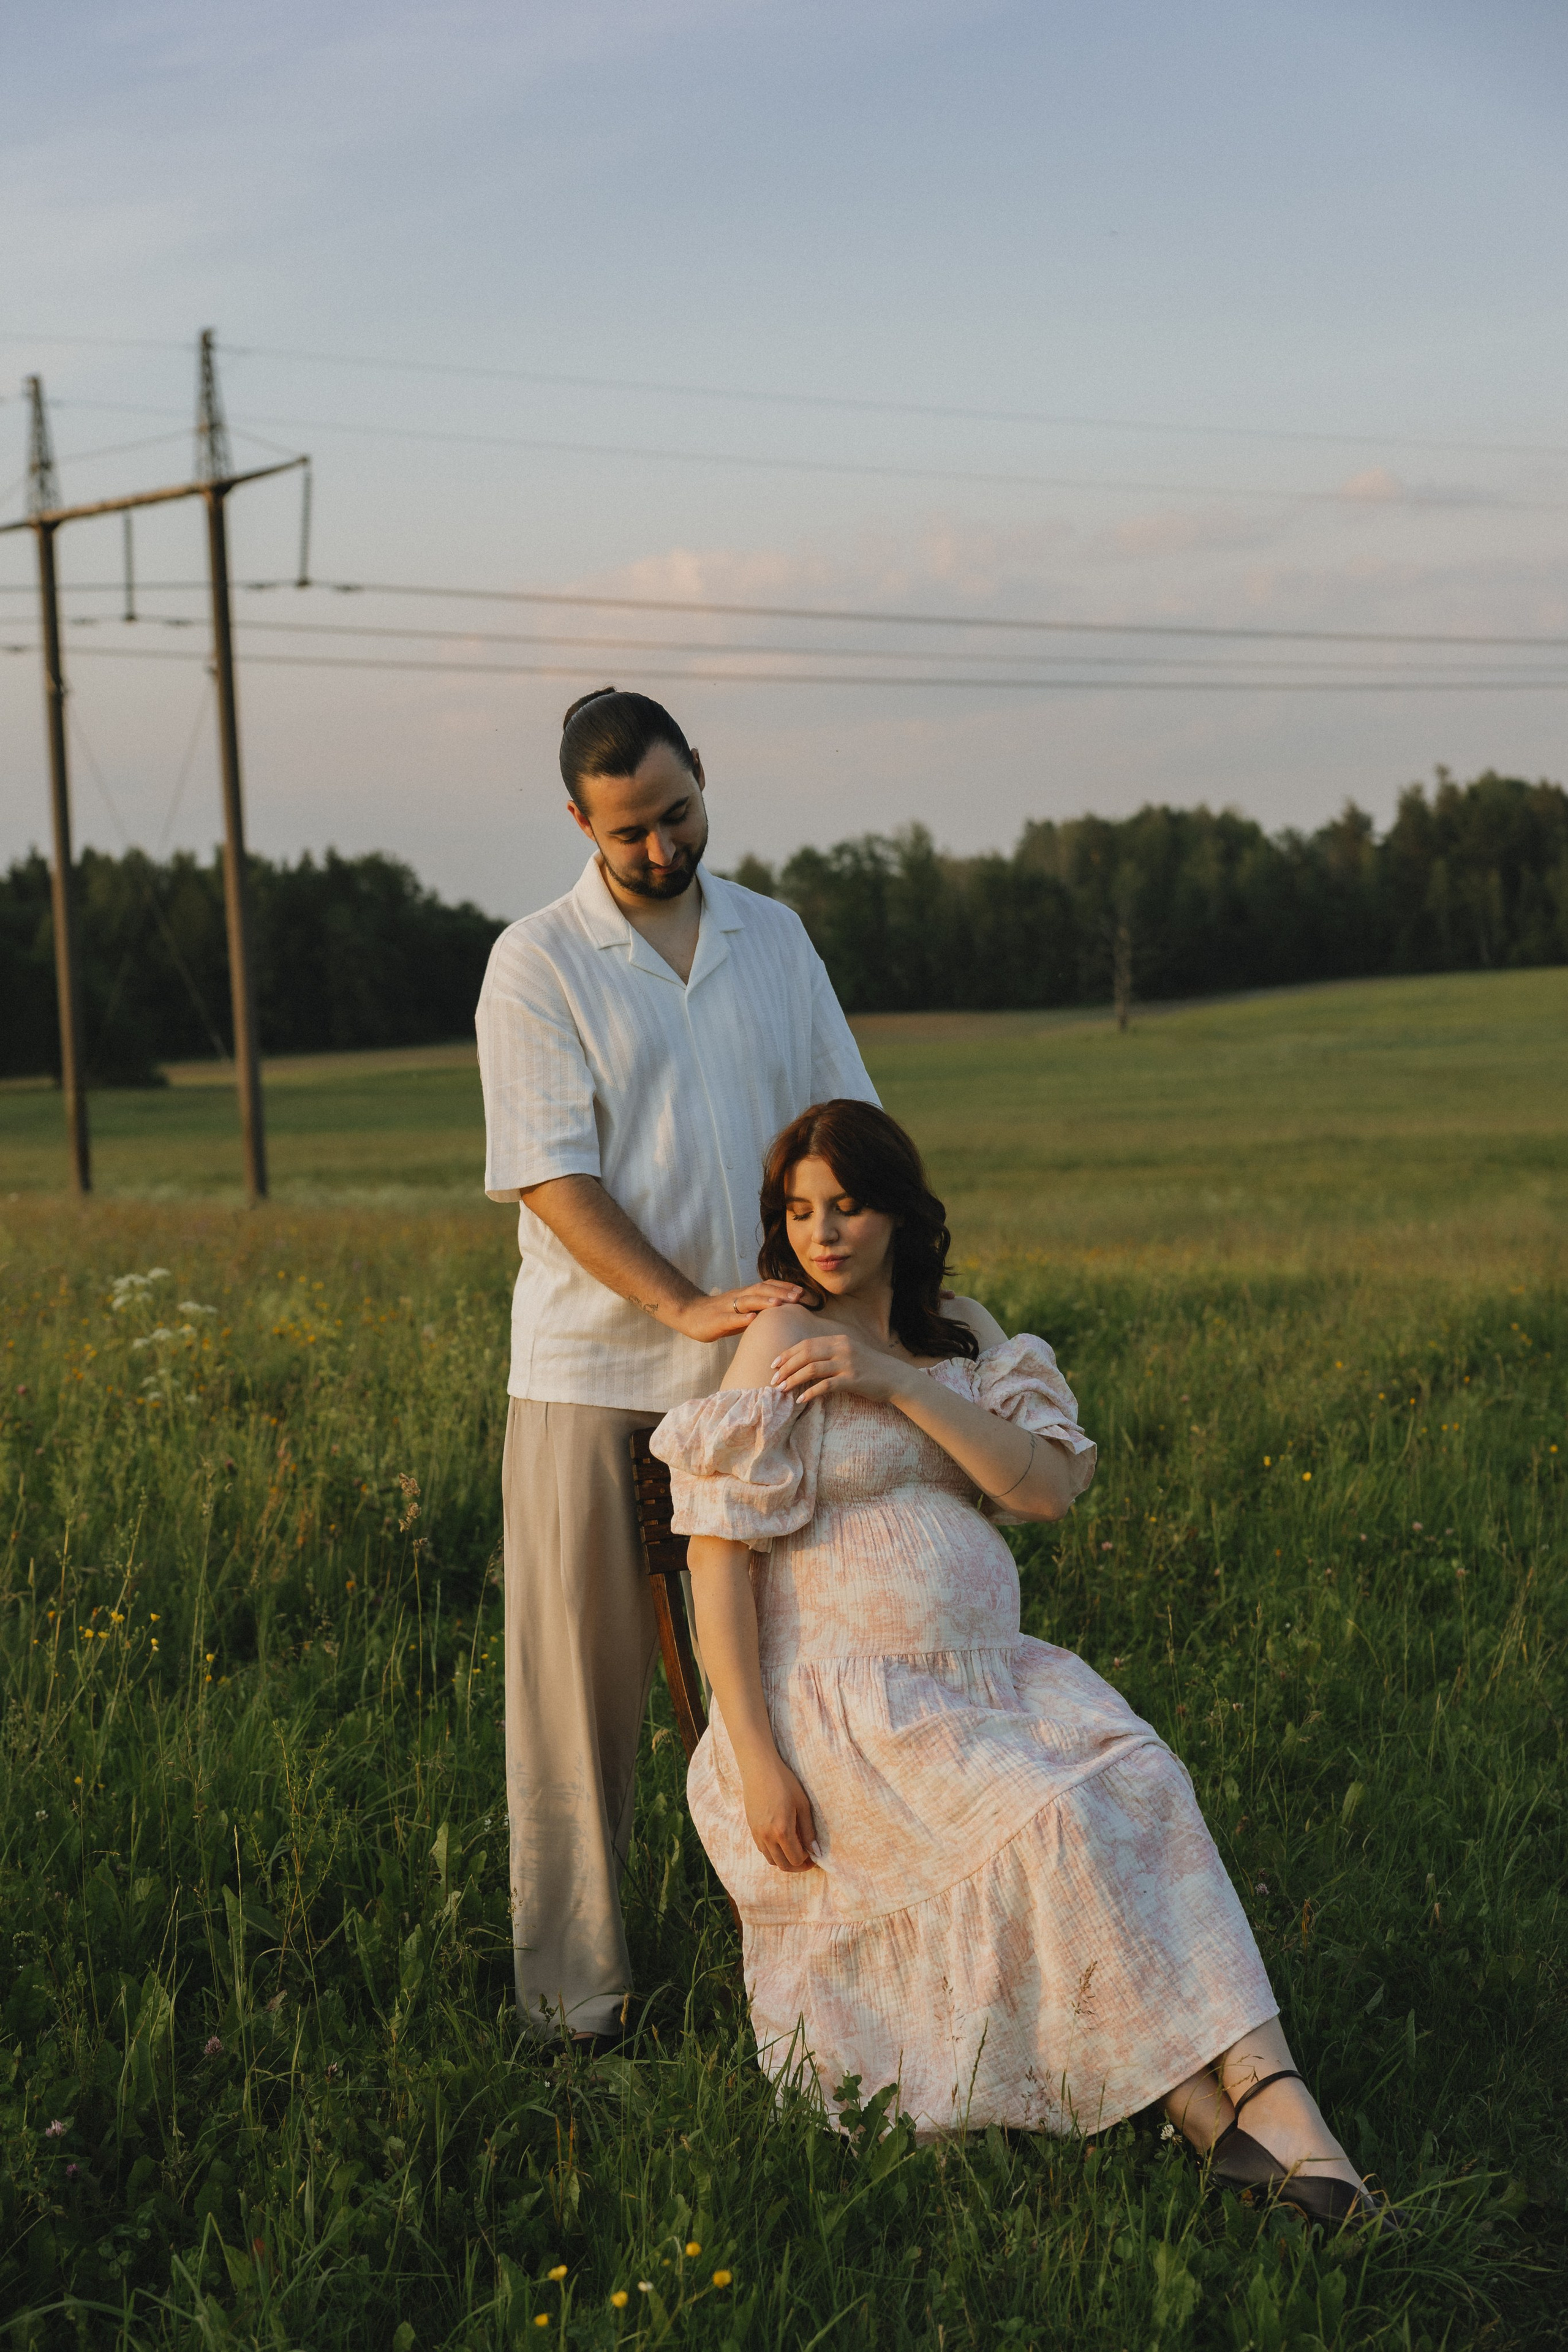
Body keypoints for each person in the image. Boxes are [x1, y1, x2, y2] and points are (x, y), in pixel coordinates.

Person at [651, 1098, 1389, 2227]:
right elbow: (716, 1566)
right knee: (1049, 1822)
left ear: (899, 1211)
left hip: (985, 1680)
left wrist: (897, 1380)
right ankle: (1254, 2122)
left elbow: (1043, 1490)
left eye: (847, 1206)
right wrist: (752, 1754)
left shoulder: (961, 1328)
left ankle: (1260, 2112)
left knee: (1139, 1780)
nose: (823, 1233)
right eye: (799, 1211)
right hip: (841, 1708)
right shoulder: (777, 1342)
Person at [475, 689, 878, 2050]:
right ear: (580, 823)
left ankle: (824, 1976)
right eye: (630, 831)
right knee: (580, 1701)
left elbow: (847, 1132)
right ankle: (575, 2003)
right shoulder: (536, 961)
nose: (660, 849)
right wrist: (681, 1302)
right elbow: (550, 1173)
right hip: (592, 1375)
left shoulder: (775, 935)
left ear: (703, 776)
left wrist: (882, 1306)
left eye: (678, 815)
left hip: (767, 1368)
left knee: (795, 1677)